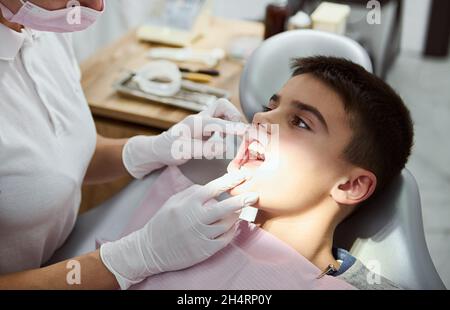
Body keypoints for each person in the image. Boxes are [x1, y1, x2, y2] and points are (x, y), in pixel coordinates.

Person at [0, 0, 258, 289]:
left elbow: (59, 159)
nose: (94, 5)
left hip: (62, 255)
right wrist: (130, 258)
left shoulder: (45, 27)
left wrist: (146, 150)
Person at [227, 56, 414, 289]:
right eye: (270, 108)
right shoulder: (198, 237)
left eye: (300, 122)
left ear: (351, 186)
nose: (260, 118)